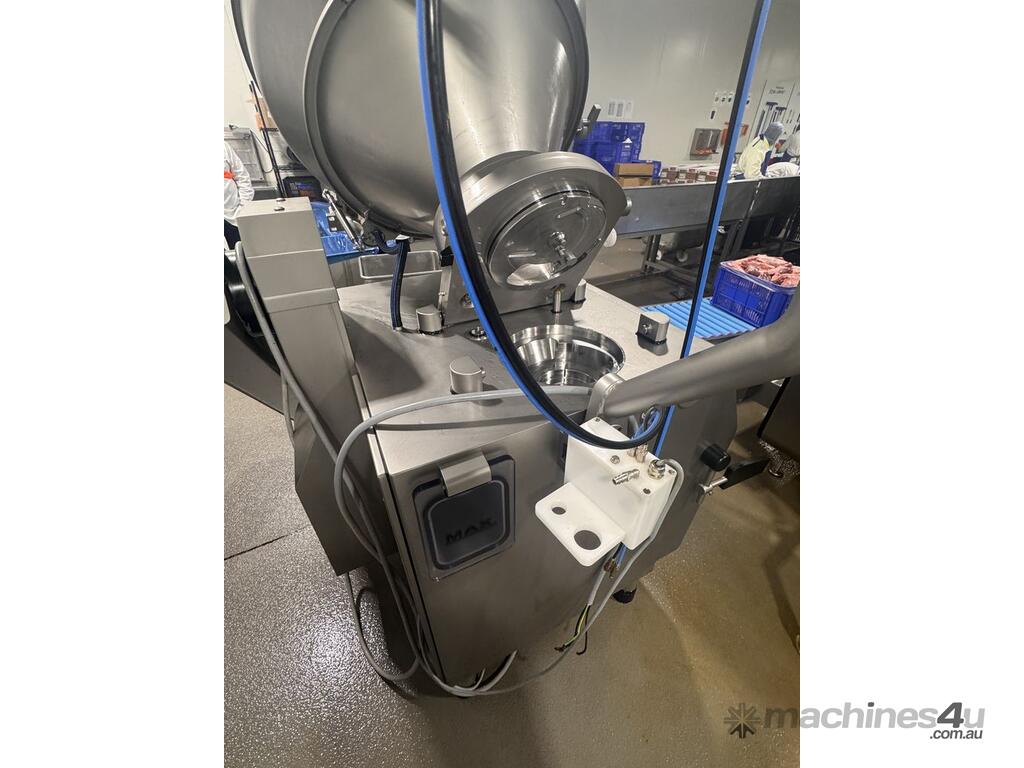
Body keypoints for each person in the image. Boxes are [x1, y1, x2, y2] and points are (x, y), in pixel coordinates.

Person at [224, 141, 254, 249]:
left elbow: (242, 177)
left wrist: (243, 208)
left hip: (233, 216)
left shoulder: (223, 146)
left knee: (243, 253)